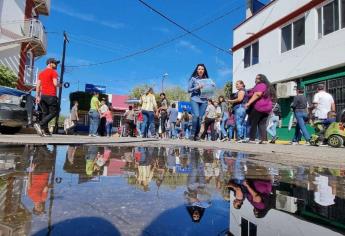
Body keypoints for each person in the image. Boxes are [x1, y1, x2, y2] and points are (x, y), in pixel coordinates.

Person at [34, 58, 61, 136]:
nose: (56, 65)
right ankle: (40, 124)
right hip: (51, 95)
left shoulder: (41, 73)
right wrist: (61, 85)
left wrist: (37, 96)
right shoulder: (53, 72)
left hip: (43, 96)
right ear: (50, 63)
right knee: (55, 111)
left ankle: (46, 131)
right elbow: (55, 84)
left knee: (45, 113)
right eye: (55, 63)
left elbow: (38, 85)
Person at [245, 74, 275, 144]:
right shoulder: (268, 86)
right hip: (266, 108)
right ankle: (264, 139)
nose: (256, 79)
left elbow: (258, 94)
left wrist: (249, 103)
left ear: (262, 79)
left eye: (258, 78)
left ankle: (252, 139)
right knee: (262, 124)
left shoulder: (261, 85)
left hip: (258, 107)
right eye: (256, 78)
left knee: (254, 123)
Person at [188, 64, 209, 141]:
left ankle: (197, 135)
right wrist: (197, 87)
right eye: (199, 69)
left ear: (204, 71)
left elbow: (209, 91)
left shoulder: (207, 80)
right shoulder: (193, 79)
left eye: (202, 69)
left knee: (200, 118)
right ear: (197, 70)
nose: (200, 70)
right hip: (194, 99)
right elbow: (188, 90)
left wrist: (212, 87)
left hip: (204, 101)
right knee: (196, 116)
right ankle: (192, 133)